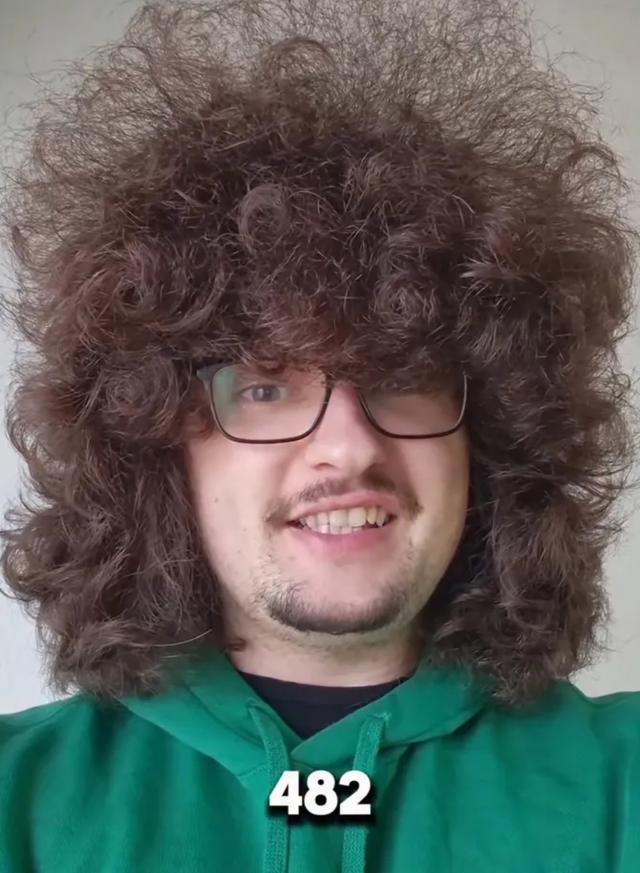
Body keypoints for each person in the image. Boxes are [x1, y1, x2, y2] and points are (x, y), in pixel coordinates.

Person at [0, 0, 639, 870]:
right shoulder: (18, 798)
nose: (349, 448)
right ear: (153, 448)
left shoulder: (624, 785)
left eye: (405, 380)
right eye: (265, 386)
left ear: (491, 441)